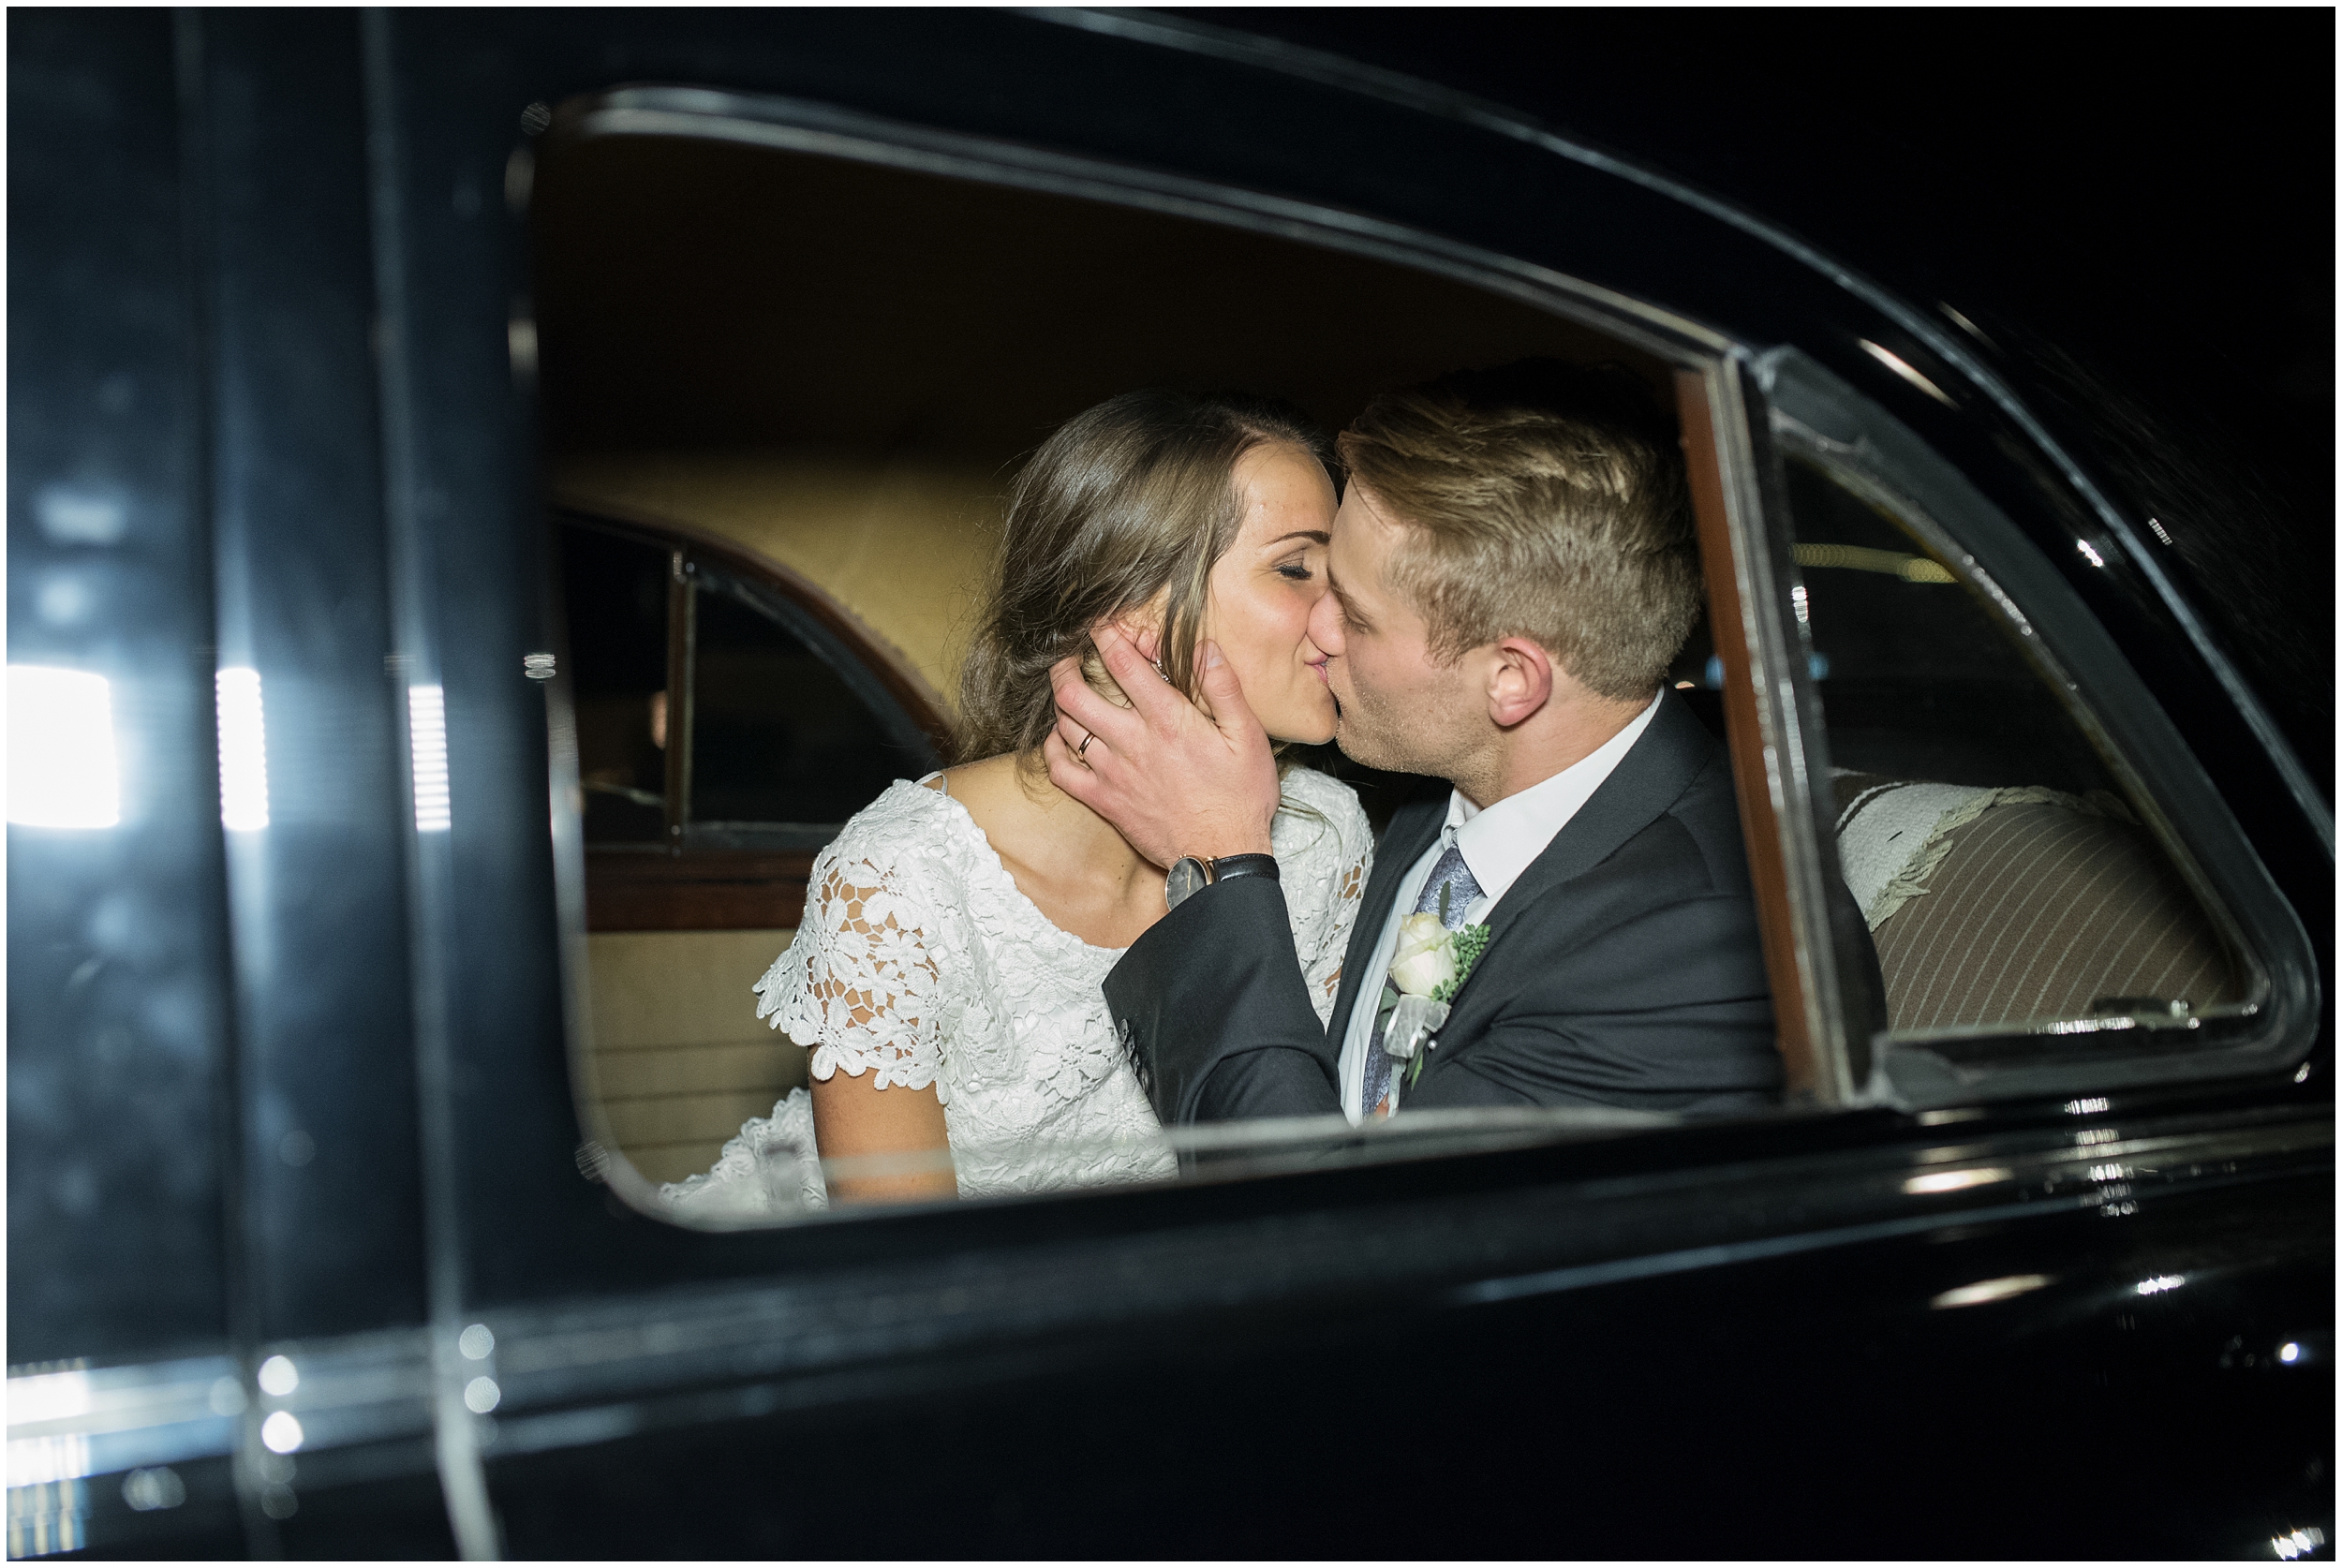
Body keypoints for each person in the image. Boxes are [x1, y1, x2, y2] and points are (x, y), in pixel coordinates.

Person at [1049, 360, 1861, 1124]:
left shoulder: (1699, 956)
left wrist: (1218, 860)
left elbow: (1336, 1248)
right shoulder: (1436, 785)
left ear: (1513, 679)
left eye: (1356, 615)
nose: (1318, 630)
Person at [662, 390, 1373, 1216]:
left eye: (1343, 575)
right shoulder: (899, 881)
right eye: (1296, 568)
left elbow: (1295, 1167)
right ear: (1127, 602)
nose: (1342, 615)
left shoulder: (1324, 838)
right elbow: (910, 1271)